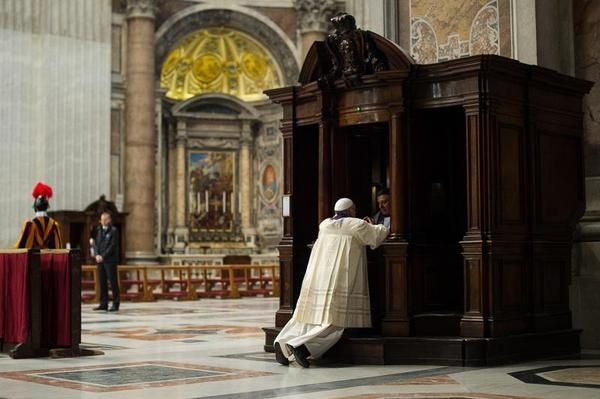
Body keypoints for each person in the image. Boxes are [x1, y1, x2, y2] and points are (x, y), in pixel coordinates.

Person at [273, 197, 388, 368]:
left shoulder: (325, 224)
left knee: (307, 318)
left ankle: (283, 341)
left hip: (319, 278)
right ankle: (302, 347)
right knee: (334, 323)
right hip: (340, 279)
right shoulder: (356, 224)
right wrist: (372, 224)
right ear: (350, 210)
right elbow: (377, 235)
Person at [16, 182, 63, 249]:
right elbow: (58, 248)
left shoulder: (30, 224)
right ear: (47, 207)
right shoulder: (54, 225)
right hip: (49, 258)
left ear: (36, 207)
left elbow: (22, 248)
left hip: (35, 259)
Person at [92, 212, 120, 312]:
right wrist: (97, 255)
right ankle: (103, 303)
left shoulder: (114, 231)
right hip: (100, 261)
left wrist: (103, 256)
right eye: (101, 220)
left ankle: (115, 303)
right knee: (102, 282)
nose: (103, 221)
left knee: (113, 282)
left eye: (105, 219)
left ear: (109, 220)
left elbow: (112, 246)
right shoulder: (99, 230)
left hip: (110, 260)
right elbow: (96, 245)